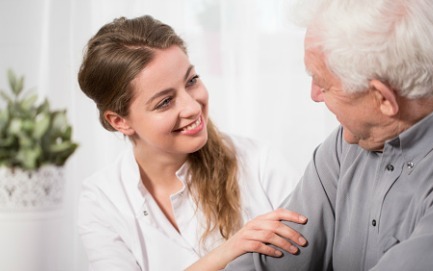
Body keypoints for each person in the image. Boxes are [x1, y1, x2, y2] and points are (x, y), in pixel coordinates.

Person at [225, 0, 433, 270]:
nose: (314, 95)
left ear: (383, 98)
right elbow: (270, 259)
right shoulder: (349, 142)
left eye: (323, 83)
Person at [76, 15, 308, 271]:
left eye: (192, 81)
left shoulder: (260, 163)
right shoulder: (102, 200)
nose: (192, 106)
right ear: (120, 121)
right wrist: (231, 250)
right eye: (165, 101)